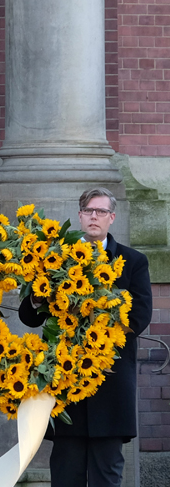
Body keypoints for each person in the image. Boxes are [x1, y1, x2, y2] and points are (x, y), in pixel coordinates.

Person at [18, 188, 152, 487]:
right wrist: (39, 296)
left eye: (101, 211)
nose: (95, 216)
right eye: (89, 211)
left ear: (111, 218)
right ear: (80, 215)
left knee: (107, 473)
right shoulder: (55, 259)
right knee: (66, 473)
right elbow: (29, 316)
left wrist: (96, 316)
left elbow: (140, 317)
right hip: (66, 380)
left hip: (111, 380)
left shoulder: (133, 261)